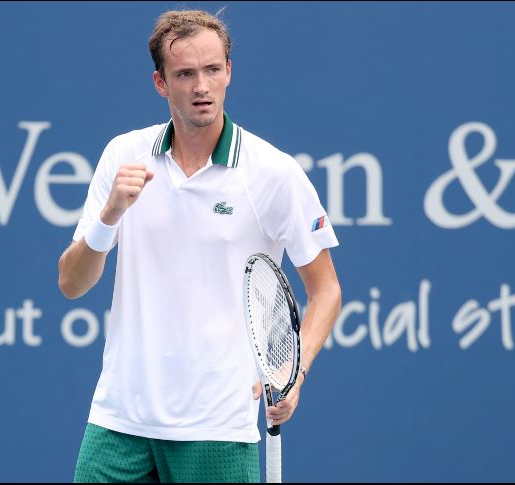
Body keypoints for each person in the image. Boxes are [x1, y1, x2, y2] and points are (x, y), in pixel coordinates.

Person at [58, 9, 341, 483]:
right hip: (118, 421)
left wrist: (296, 372)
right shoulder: (122, 156)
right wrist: (109, 217)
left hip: (217, 428)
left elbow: (326, 289)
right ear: (160, 83)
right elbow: (71, 283)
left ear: (229, 71)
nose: (201, 86)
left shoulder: (273, 172)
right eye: (185, 74)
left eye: (212, 70)